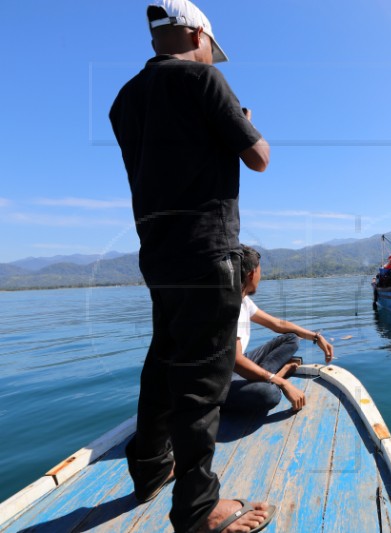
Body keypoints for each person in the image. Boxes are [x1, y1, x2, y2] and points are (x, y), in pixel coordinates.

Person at [109, 1, 273, 532]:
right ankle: (198, 509)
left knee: (162, 364)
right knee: (204, 378)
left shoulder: (125, 100)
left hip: (158, 253)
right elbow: (259, 157)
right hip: (207, 250)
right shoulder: (206, 83)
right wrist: (245, 123)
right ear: (196, 32)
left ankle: (151, 468)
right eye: (210, 47)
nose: (211, 57)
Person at [224, 245, 334, 414]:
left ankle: (267, 377)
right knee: (270, 395)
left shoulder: (243, 300)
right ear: (252, 274)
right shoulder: (232, 307)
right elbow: (236, 361)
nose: (260, 277)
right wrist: (282, 382)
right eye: (260, 271)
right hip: (221, 381)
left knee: (291, 338)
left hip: (236, 367)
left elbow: (279, 325)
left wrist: (316, 337)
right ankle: (274, 377)